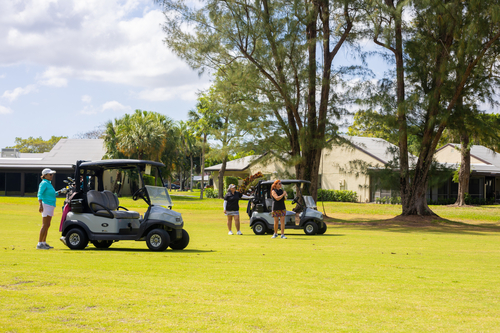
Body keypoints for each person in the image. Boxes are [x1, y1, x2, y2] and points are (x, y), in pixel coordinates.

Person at [37, 168, 65, 249]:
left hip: (50, 205)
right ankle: (39, 244)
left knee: (48, 225)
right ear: (45, 175)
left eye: (52, 174)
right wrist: (40, 205)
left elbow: (53, 194)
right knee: (45, 225)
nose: (52, 176)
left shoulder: (48, 183)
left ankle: (44, 242)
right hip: (46, 205)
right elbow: (39, 194)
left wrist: (60, 191)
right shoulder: (44, 183)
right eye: (50, 174)